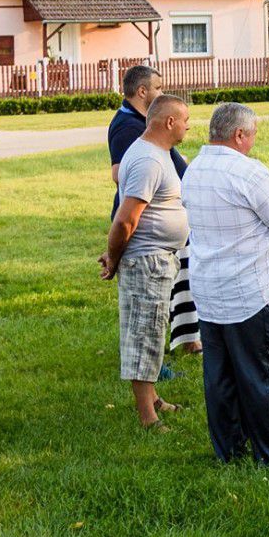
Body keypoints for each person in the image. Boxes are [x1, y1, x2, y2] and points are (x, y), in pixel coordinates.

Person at [180, 102, 269, 466]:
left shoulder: (194, 169)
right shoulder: (248, 172)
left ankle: (229, 450)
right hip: (248, 292)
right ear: (239, 135)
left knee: (219, 378)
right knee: (259, 375)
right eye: (251, 136)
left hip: (208, 288)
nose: (252, 143)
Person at [102, 92, 192, 430]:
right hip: (147, 261)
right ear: (169, 122)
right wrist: (114, 257)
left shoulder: (156, 153)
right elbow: (126, 219)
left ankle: (153, 398)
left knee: (154, 331)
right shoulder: (149, 160)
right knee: (143, 334)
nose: (187, 127)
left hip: (157, 257)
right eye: (185, 121)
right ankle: (147, 417)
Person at [109, 65, 201, 365]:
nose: (162, 93)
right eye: (158, 88)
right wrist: (113, 255)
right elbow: (122, 181)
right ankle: (150, 392)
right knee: (146, 316)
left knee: (161, 304)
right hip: (147, 245)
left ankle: (179, 345)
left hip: (161, 239)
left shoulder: (146, 130)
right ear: (142, 91)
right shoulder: (130, 128)